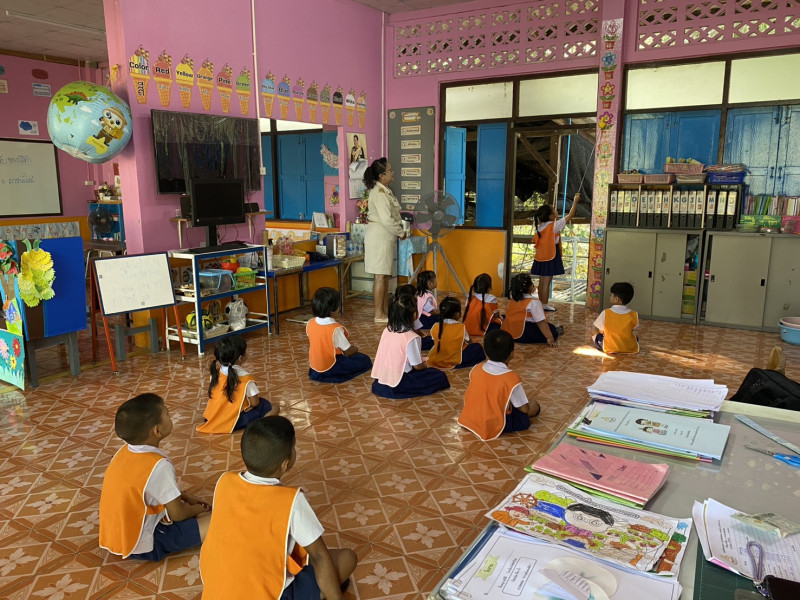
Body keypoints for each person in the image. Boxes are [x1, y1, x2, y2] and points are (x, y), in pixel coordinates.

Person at [200, 416, 357, 599]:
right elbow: (319, 557)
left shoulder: (224, 481)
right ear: (285, 463)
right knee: (347, 558)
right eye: (294, 448)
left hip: (217, 590)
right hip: (268, 594)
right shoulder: (291, 500)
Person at [99, 393, 212, 561]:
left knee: (200, 516)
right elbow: (178, 514)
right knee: (219, 520)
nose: (170, 415)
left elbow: (145, 488)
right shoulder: (159, 466)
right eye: (167, 413)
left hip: (119, 537)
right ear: (157, 431)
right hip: (146, 543)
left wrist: (183, 496)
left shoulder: (123, 453)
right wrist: (197, 509)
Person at [458, 330, 540, 441]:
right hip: (493, 423)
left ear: (486, 352)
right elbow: (525, 409)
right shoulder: (511, 378)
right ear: (512, 353)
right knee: (533, 406)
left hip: (471, 416)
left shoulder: (476, 368)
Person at [371, 293, 450, 399]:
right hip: (401, 380)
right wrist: (425, 365)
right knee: (439, 376)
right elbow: (417, 366)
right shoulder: (411, 337)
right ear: (414, 315)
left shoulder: (387, 329)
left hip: (382, 378)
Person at [197, 336, 279, 434]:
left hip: (212, 417)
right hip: (235, 420)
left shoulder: (215, 373)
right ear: (240, 358)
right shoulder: (246, 379)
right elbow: (255, 403)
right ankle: (261, 424)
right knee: (270, 406)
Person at [363, 158, 406, 323]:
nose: (392, 173)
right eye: (389, 170)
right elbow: (387, 220)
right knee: (380, 276)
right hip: (379, 237)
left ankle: (384, 310)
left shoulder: (386, 191)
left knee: (385, 275)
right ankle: (378, 313)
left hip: (385, 237)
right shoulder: (379, 193)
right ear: (381, 176)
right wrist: (401, 233)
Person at [307, 286, 372, 383]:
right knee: (365, 360)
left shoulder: (310, 323)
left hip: (315, 367)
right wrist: (356, 349)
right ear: (333, 309)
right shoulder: (335, 329)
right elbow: (347, 351)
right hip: (332, 365)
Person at [531, 193, 581, 312]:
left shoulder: (540, 227)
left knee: (542, 282)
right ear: (551, 216)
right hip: (550, 256)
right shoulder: (554, 225)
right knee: (546, 282)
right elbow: (570, 215)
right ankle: (544, 304)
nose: (556, 210)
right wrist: (575, 201)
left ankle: (541, 304)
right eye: (554, 210)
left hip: (540, 257)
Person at [501, 273, 562, 346]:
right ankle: (555, 331)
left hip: (509, 332)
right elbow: (541, 323)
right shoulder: (534, 302)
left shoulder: (513, 299)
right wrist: (550, 338)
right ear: (530, 287)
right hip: (524, 334)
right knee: (551, 328)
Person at [428, 296, 486, 369]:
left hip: (437, 358)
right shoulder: (461, 327)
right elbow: (469, 342)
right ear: (457, 314)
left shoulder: (435, 326)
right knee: (477, 347)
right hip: (455, 358)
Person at [592, 282, 639, 354]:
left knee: (594, 329)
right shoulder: (634, 314)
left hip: (609, 346)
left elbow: (597, 330)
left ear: (616, 299)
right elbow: (635, 332)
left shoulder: (606, 312)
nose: (610, 297)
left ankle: (607, 345)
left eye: (611, 295)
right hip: (629, 347)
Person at [462, 273, 502, 337]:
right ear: (489, 288)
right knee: (502, 320)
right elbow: (496, 315)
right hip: (483, 330)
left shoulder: (470, 298)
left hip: (467, 330)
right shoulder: (492, 298)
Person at [396, 283, 433, 351]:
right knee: (433, 341)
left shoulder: (397, 308)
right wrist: (425, 335)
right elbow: (417, 331)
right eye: (416, 294)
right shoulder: (412, 311)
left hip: (399, 341)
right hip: (410, 340)